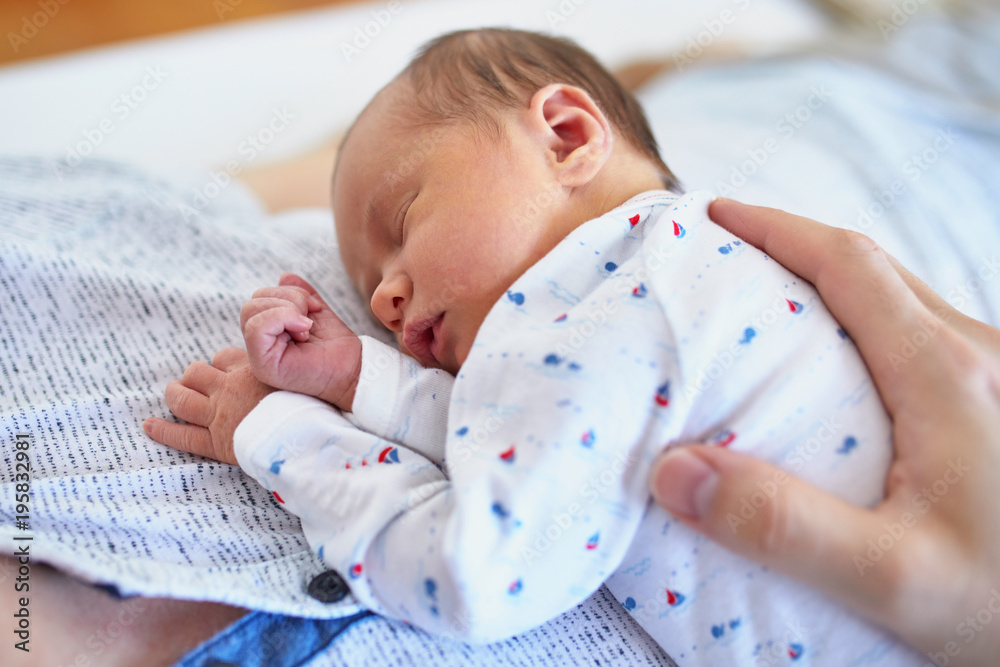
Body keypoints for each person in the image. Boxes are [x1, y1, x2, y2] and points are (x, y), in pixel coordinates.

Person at [139, 28, 981, 665]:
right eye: (371, 292)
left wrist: (278, 435)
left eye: (402, 221)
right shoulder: (645, 283)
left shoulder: (627, 294)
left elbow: (474, 571)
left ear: (568, 137)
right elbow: (530, 439)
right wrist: (360, 376)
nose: (385, 298)